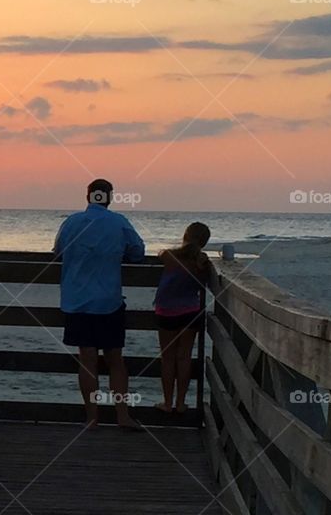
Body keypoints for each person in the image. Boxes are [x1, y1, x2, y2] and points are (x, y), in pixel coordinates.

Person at [53, 178, 145, 431]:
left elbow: (58, 251)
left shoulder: (71, 222)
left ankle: (91, 418)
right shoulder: (119, 222)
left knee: (87, 360)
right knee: (115, 359)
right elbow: (138, 252)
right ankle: (122, 416)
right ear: (109, 197)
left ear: (88, 196)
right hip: (108, 301)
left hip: (77, 300)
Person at [154, 222, 212, 414]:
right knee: (184, 357)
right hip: (191, 311)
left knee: (168, 358)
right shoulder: (201, 262)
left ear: (184, 236)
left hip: (166, 311)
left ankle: (168, 402)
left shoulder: (170, 256)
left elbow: (161, 254)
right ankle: (180, 403)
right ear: (204, 242)